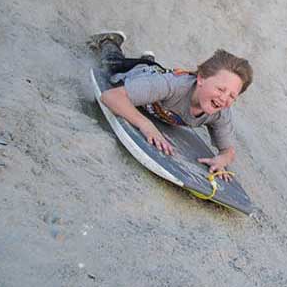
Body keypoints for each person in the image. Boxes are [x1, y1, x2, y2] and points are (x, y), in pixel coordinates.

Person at [89, 31, 252, 179]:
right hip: (137, 75)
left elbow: (229, 151)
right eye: (221, 89)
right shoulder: (173, 87)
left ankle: (148, 60)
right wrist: (146, 125)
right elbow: (111, 97)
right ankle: (109, 40)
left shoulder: (220, 112)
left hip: (155, 83)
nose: (224, 98)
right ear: (201, 78)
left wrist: (222, 159)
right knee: (111, 63)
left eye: (232, 95)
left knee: (154, 77)